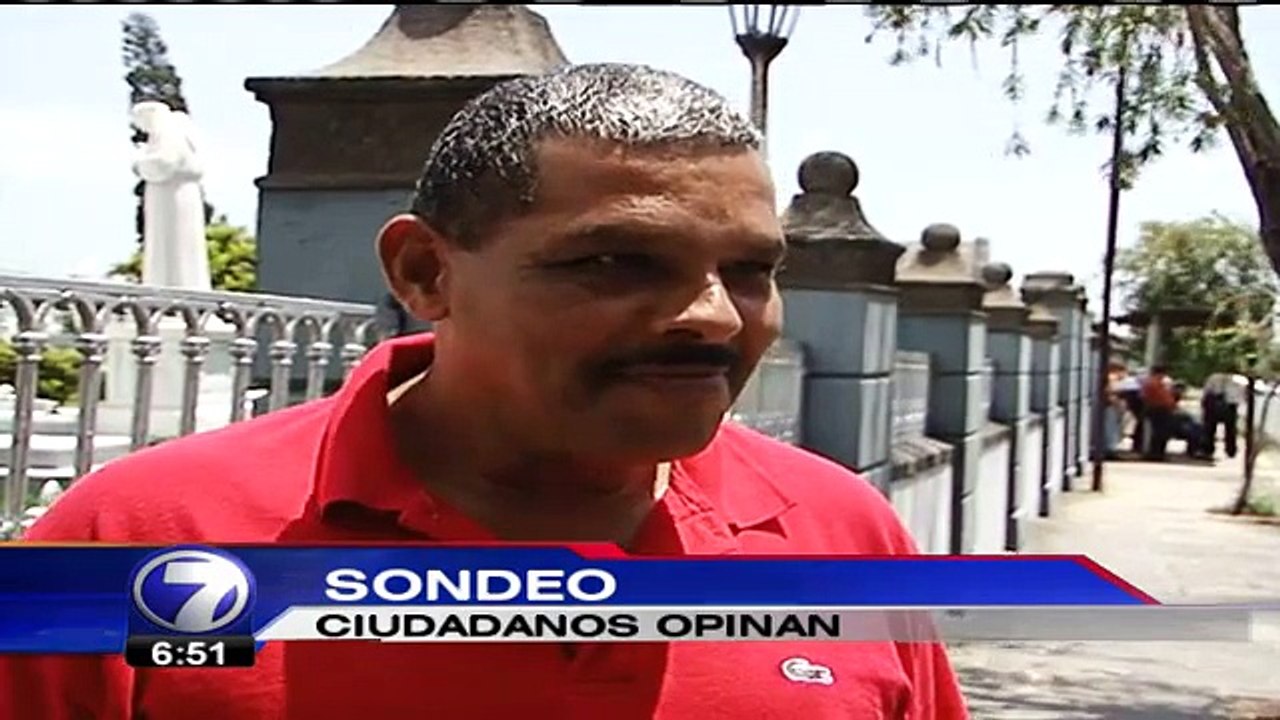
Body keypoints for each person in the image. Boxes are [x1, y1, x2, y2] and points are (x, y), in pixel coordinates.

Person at [0, 64, 967, 719]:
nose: (715, 317)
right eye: (618, 261)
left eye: (751, 271)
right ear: (425, 272)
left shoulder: (846, 533)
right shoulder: (138, 538)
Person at [1201, 371, 1243, 459]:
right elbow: (1240, 395)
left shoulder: (1213, 377)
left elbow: (1207, 390)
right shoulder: (1238, 380)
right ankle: (1231, 450)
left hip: (1214, 404)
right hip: (1230, 405)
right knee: (1230, 429)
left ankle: (1208, 449)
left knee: (1210, 428)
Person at [1140, 365, 1177, 460]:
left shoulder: (1152, 382)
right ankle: (1157, 453)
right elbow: (1163, 398)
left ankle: (1156, 452)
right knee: (1161, 433)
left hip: (1156, 408)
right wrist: (1171, 404)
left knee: (1158, 432)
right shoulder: (1155, 383)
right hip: (1159, 409)